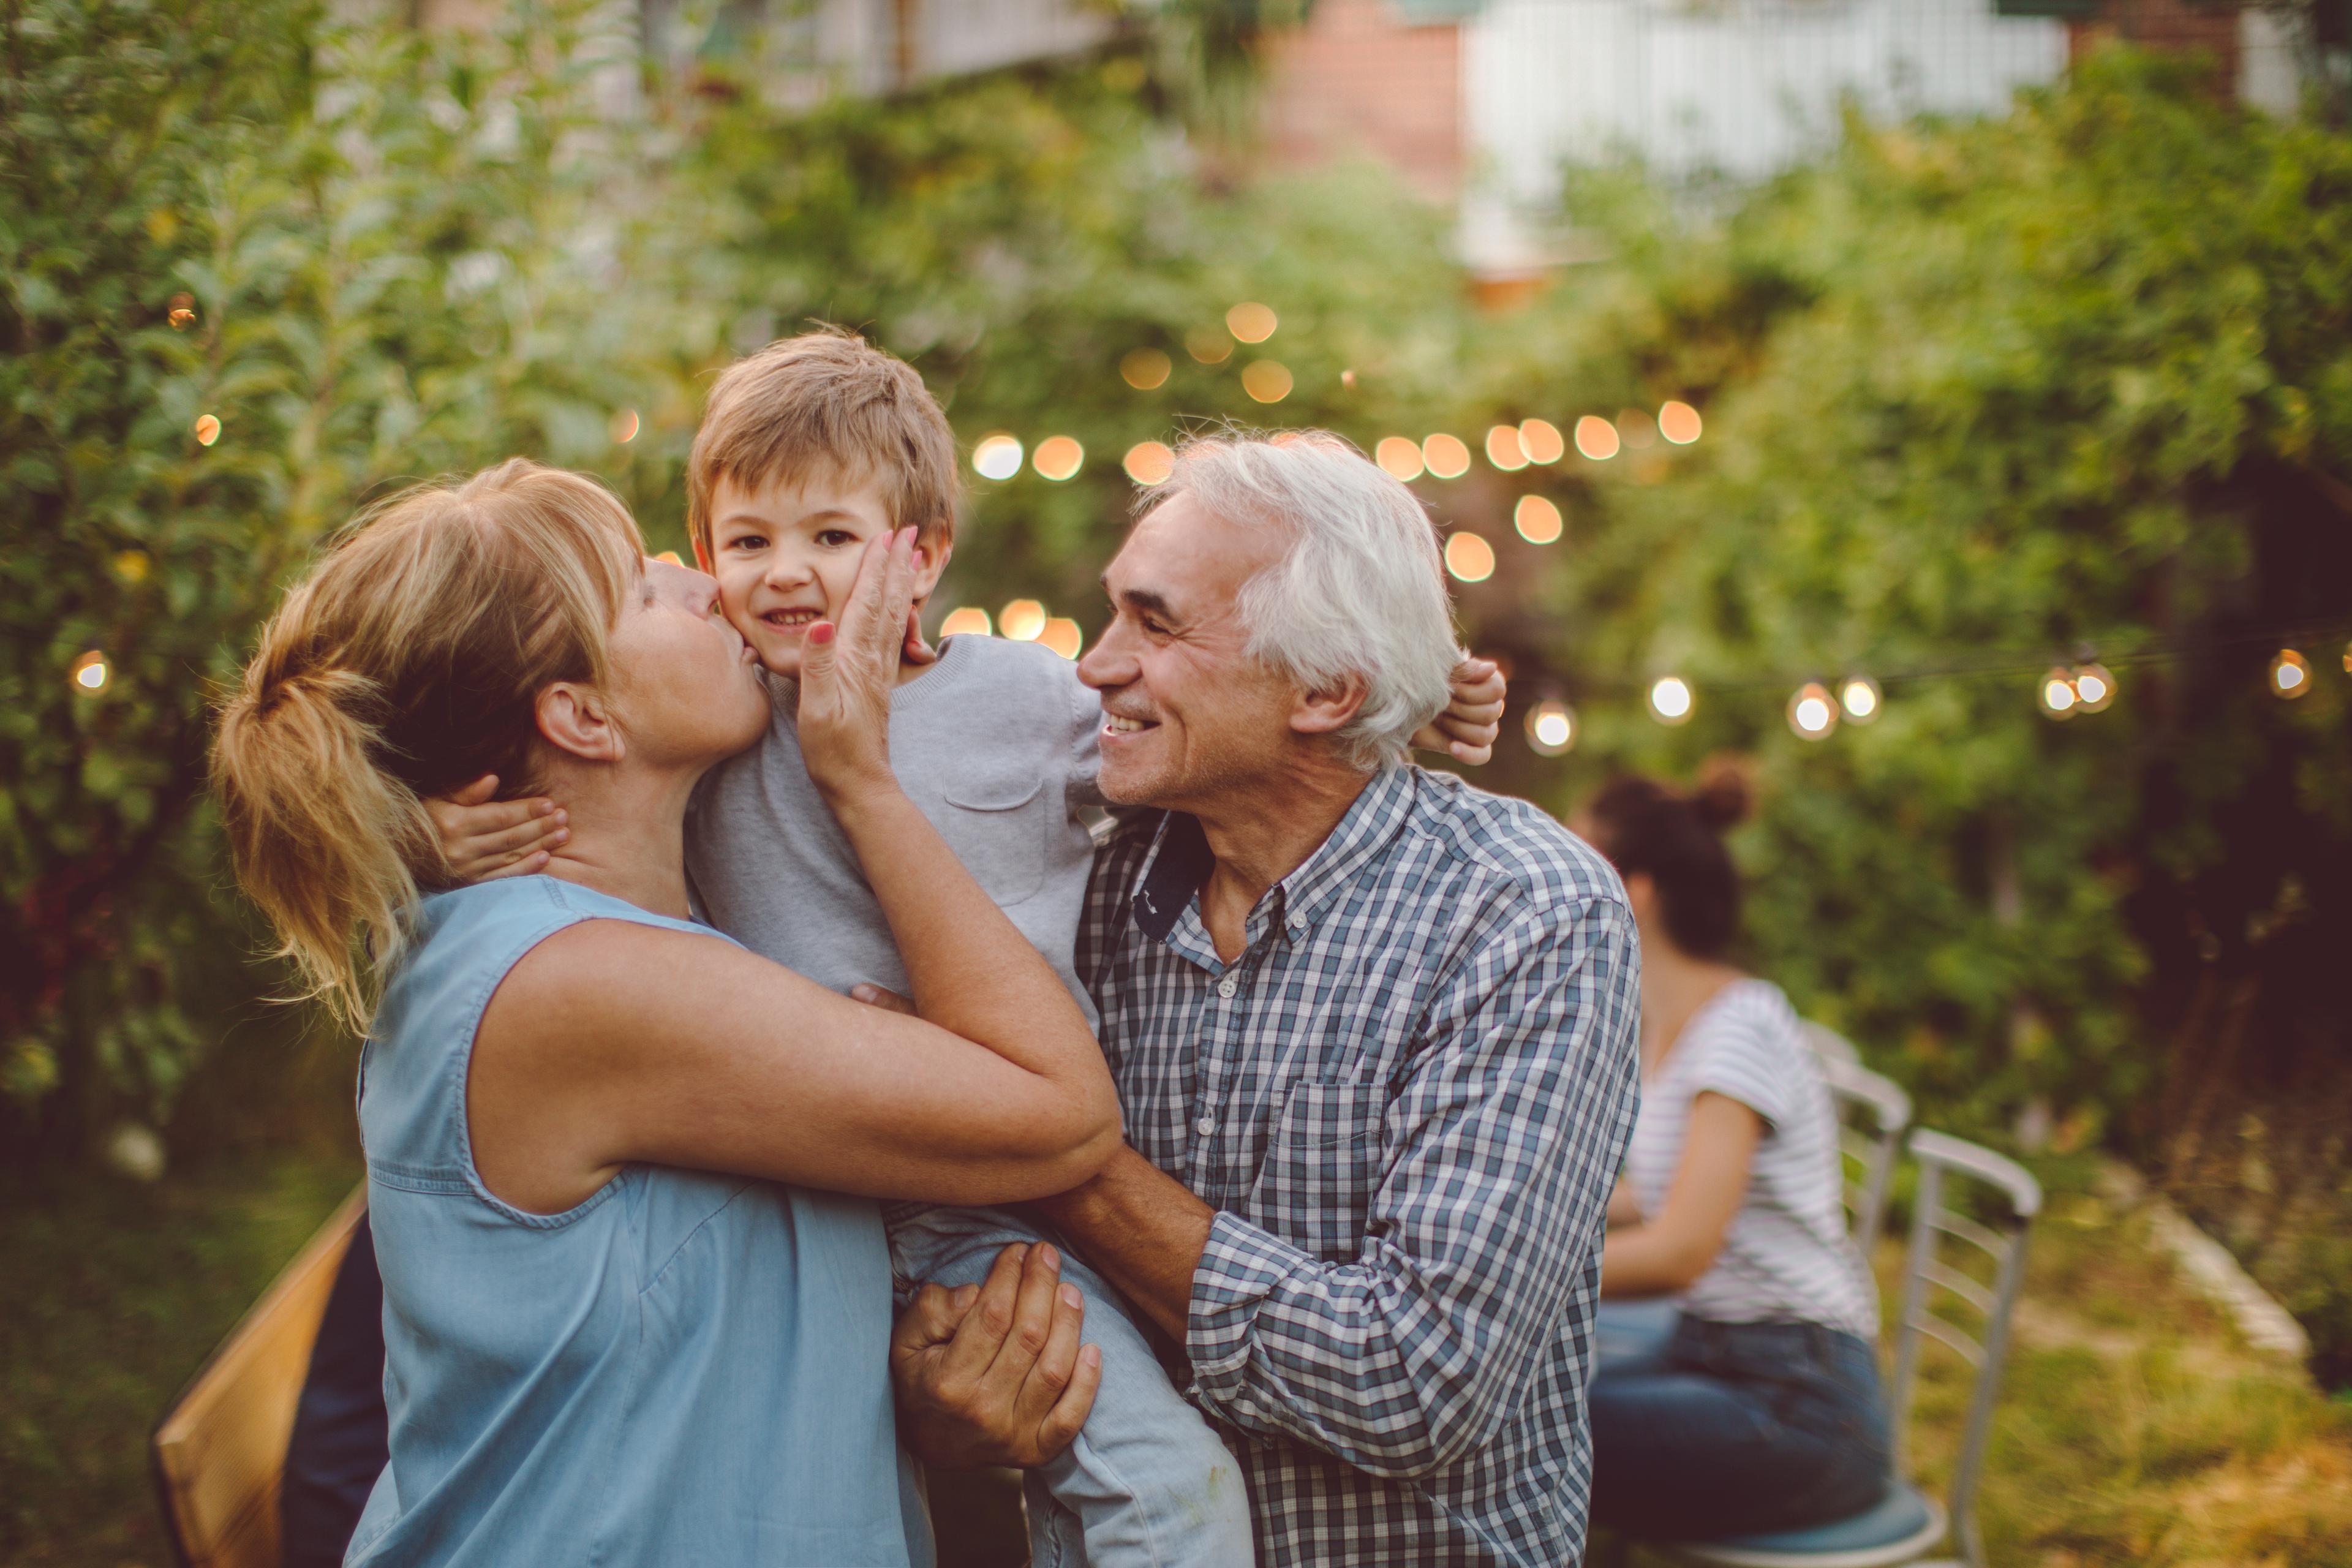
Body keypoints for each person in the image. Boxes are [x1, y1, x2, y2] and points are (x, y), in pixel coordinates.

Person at [415, 331, 1507, 1567]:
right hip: (812, 1183)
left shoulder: (1020, 703)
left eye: (831, 538)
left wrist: (1417, 698)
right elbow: (517, 769)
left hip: (984, 1201)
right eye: (745, 542)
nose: (783, 576)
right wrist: (429, 823)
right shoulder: (719, 719)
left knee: (1170, 1487)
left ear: (919, 552)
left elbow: (1220, 731)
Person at [214, 459, 1121, 1567]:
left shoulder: (554, 940)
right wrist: (859, 779)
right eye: (642, 590)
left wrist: (917, 1392)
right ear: (585, 717)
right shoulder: (582, 984)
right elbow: (1061, 1113)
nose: (701, 584)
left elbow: (673, 1332)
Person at [888, 431, 1643, 1568]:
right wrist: (939, 1391)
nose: (1094, 666)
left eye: (1155, 623)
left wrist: (1028, 1130)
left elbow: (1413, 1380)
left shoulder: (1524, 913)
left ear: (1329, 688)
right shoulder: (1077, 881)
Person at [1577, 766, 1891, 1542]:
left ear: (1633, 893)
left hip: (1800, 1402)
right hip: (1717, 1356)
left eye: (1573, 859)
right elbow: (1652, 1194)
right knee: (1523, 1399)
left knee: (1511, 1430)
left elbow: (1681, 1248)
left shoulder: (1737, 1027)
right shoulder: (1673, 1026)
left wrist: (1500, 1272)